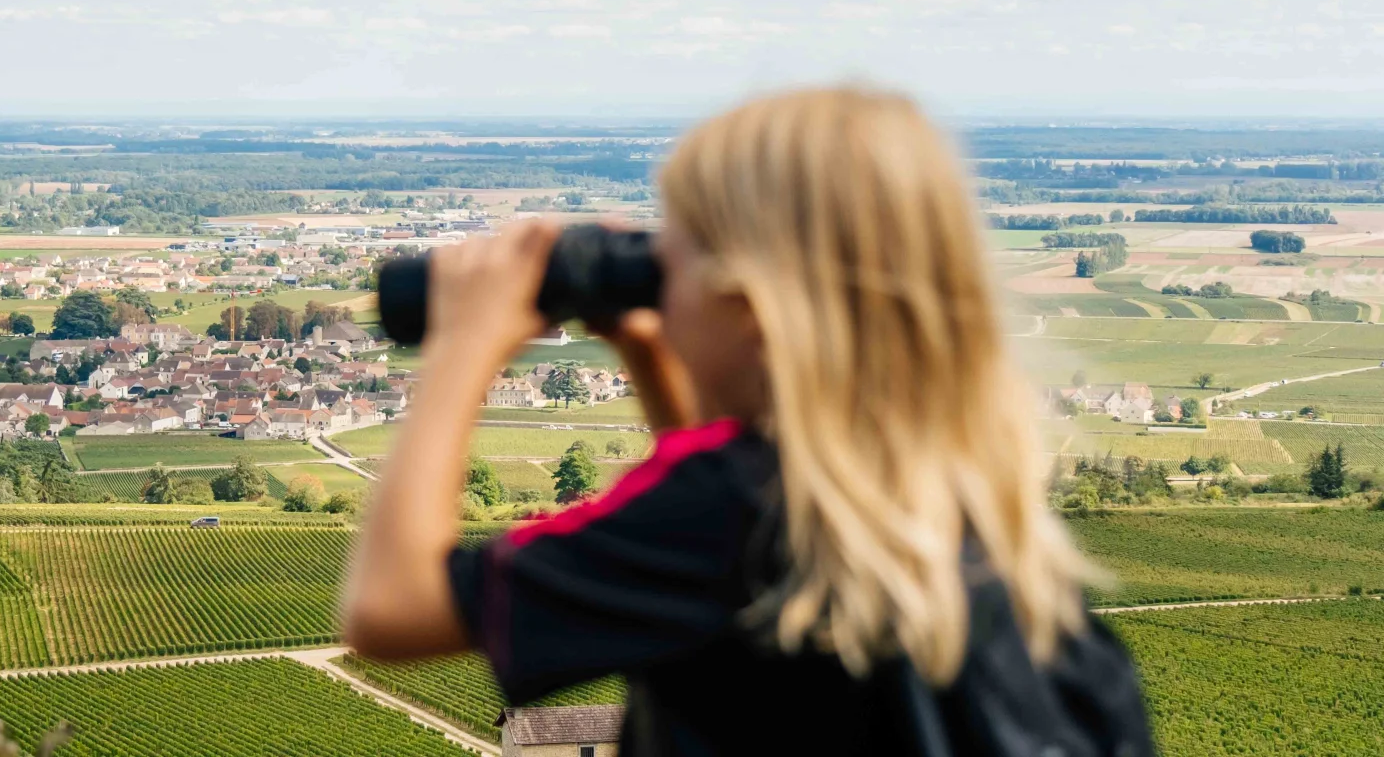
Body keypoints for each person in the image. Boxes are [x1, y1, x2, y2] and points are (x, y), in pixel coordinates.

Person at [341, 88, 1154, 756]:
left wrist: (464, 343)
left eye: (675, 254)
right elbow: (717, 553)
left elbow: (390, 608)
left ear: (750, 304)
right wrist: (653, 355)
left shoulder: (732, 512)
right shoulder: (952, 497)